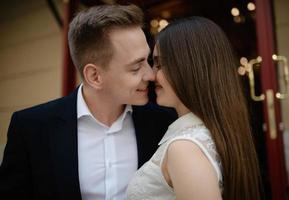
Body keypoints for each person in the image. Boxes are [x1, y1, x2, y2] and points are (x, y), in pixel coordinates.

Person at [0, 4, 175, 200]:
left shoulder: (164, 122)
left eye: (148, 61)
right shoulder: (30, 128)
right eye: (135, 68)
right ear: (94, 76)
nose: (151, 75)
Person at [126, 17, 262, 200]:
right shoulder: (217, 133)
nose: (151, 74)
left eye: (159, 63)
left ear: (189, 67)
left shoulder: (184, 148)